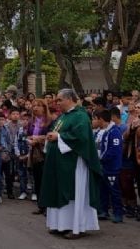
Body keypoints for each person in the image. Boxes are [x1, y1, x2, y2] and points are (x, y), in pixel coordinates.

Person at [41, 89, 102, 240]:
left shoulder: (80, 116)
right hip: (60, 162)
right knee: (58, 190)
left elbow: (81, 138)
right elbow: (56, 132)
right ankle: (59, 225)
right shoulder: (64, 116)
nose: (57, 103)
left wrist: (59, 136)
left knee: (73, 193)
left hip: (74, 163)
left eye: (60, 100)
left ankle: (77, 227)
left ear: (70, 99)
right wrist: (50, 136)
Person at [95, 109, 124, 223]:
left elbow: (114, 150)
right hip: (103, 166)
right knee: (103, 189)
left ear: (101, 119)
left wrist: (102, 158)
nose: (95, 121)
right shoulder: (104, 131)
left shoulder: (114, 132)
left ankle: (118, 213)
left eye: (96, 119)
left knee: (114, 191)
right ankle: (104, 210)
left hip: (112, 168)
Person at [27, 99, 50, 212]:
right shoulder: (31, 121)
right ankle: (40, 205)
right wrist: (30, 139)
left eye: (38, 106)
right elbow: (27, 135)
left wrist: (38, 139)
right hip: (34, 153)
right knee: (37, 179)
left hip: (44, 153)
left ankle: (47, 206)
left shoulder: (49, 121)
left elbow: (50, 136)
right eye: (34, 105)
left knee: (45, 179)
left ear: (44, 108)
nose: (35, 108)